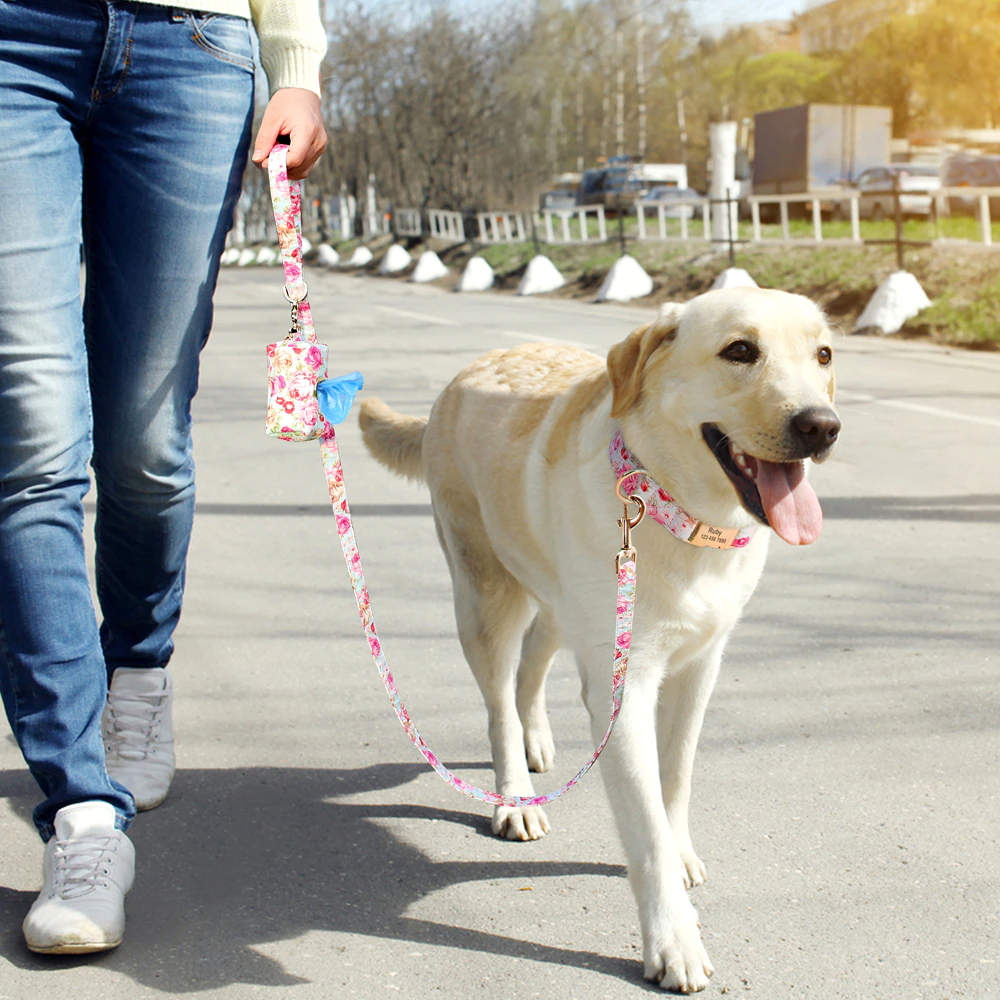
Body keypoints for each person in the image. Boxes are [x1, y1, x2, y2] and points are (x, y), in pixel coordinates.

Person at [0, 0, 327, 953]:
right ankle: (82, 817)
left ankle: (137, 670)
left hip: (193, 45)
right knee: (32, 434)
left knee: (144, 444)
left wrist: (296, 67)